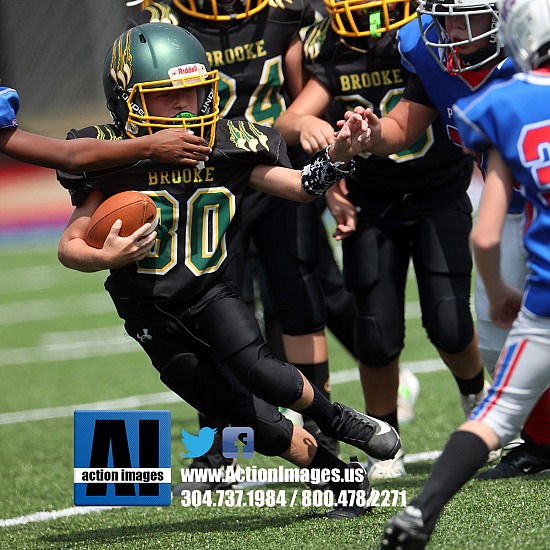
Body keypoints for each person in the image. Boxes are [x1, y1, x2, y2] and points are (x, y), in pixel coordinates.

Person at [56, 23, 400, 519]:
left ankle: (340, 419)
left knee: (266, 371)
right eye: (168, 97)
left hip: (209, 292)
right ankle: (342, 481)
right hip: (152, 317)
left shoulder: (222, 142)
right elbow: (69, 246)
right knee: (248, 419)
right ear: (128, 101)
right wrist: (105, 257)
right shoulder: (112, 160)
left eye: (194, 91)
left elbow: (301, 186)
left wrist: (339, 157)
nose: (187, 106)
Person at [124, 0, 361, 486]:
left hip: (270, 171)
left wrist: (330, 178)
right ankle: (223, 445)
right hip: (206, 184)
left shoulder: (280, 14)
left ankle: (322, 429)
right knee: (217, 310)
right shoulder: (161, 23)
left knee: (299, 302)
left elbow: (301, 100)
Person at [275, 0, 483, 480]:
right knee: (375, 332)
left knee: (450, 323)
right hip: (373, 206)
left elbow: (401, 128)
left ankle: (475, 396)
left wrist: (366, 138)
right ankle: (384, 439)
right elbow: (290, 118)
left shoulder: (427, 36)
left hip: (439, 193)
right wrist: (308, 123)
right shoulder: (329, 46)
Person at [349, 0, 550, 477]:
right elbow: (406, 125)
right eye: (446, 18)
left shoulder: (530, 55)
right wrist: (374, 134)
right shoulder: (426, 50)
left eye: (471, 18)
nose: (455, 31)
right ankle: (541, 443)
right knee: (499, 338)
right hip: (510, 206)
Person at [0, 84, 211, 171]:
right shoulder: (109, 143)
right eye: (164, 94)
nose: (182, 104)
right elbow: (69, 248)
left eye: (190, 91)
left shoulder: (228, 138)